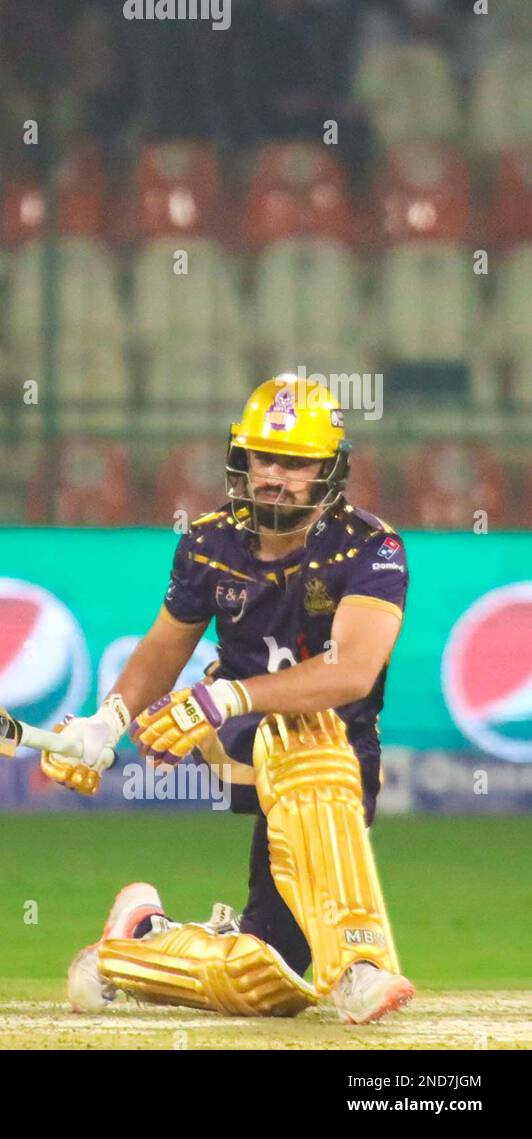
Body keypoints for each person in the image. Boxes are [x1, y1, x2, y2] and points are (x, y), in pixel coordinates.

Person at [44, 376, 415, 1025]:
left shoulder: (371, 547)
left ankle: (138, 942)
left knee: (265, 980)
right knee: (301, 733)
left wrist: (223, 696)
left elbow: (352, 670)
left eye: (296, 462)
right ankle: (359, 962)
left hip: (337, 765)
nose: (275, 476)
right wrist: (107, 722)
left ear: (329, 470)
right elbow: (161, 651)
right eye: (263, 458)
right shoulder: (207, 544)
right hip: (261, 751)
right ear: (239, 461)